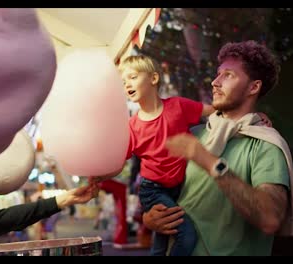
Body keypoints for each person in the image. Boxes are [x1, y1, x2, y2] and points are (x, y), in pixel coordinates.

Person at [143, 40, 293, 256]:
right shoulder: (193, 134)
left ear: (253, 87)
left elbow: (270, 218)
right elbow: (160, 190)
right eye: (218, 74)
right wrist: (151, 218)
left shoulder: (266, 145)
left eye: (229, 75)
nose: (215, 82)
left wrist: (208, 161)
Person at [90, 54, 216, 256]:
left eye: (132, 77)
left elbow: (214, 112)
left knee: (160, 241)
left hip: (179, 188)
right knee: (187, 235)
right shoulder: (132, 127)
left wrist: (248, 117)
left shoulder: (178, 106)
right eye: (123, 82)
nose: (126, 84)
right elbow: (118, 164)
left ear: (154, 78)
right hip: (152, 190)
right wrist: (99, 176)